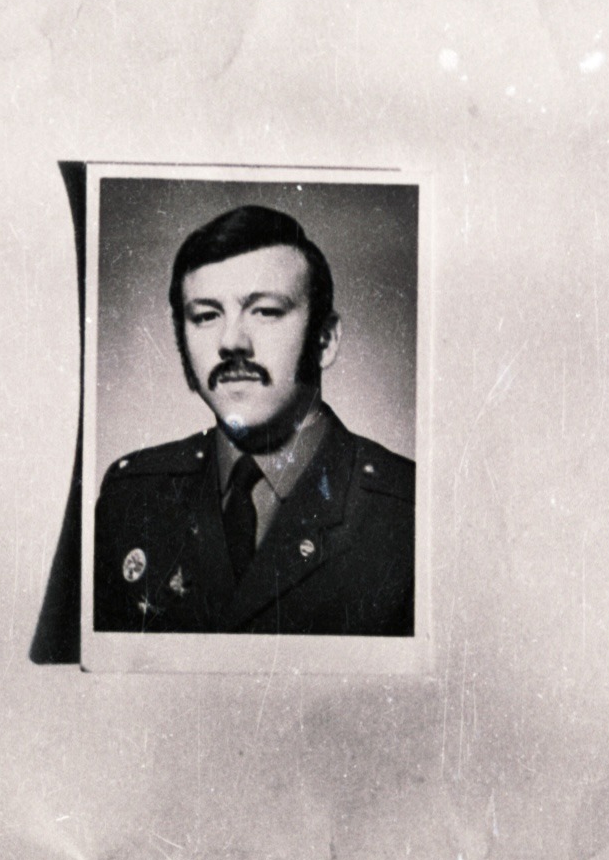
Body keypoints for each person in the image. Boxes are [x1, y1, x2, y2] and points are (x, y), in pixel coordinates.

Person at [93, 204, 415, 635]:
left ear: (325, 340)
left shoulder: (407, 512)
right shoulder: (131, 499)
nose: (231, 342)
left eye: (265, 311)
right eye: (206, 316)